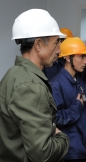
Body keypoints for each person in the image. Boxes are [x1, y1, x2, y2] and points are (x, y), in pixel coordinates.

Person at [0, 9, 69, 162]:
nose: (59, 50)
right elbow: (42, 154)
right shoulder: (31, 86)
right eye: (56, 42)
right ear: (38, 45)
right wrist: (61, 137)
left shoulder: (13, 74)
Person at [49, 37, 86, 162]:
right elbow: (55, 118)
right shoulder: (56, 85)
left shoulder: (80, 82)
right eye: (81, 57)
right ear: (68, 58)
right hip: (67, 151)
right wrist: (76, 106)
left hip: (82, 147)